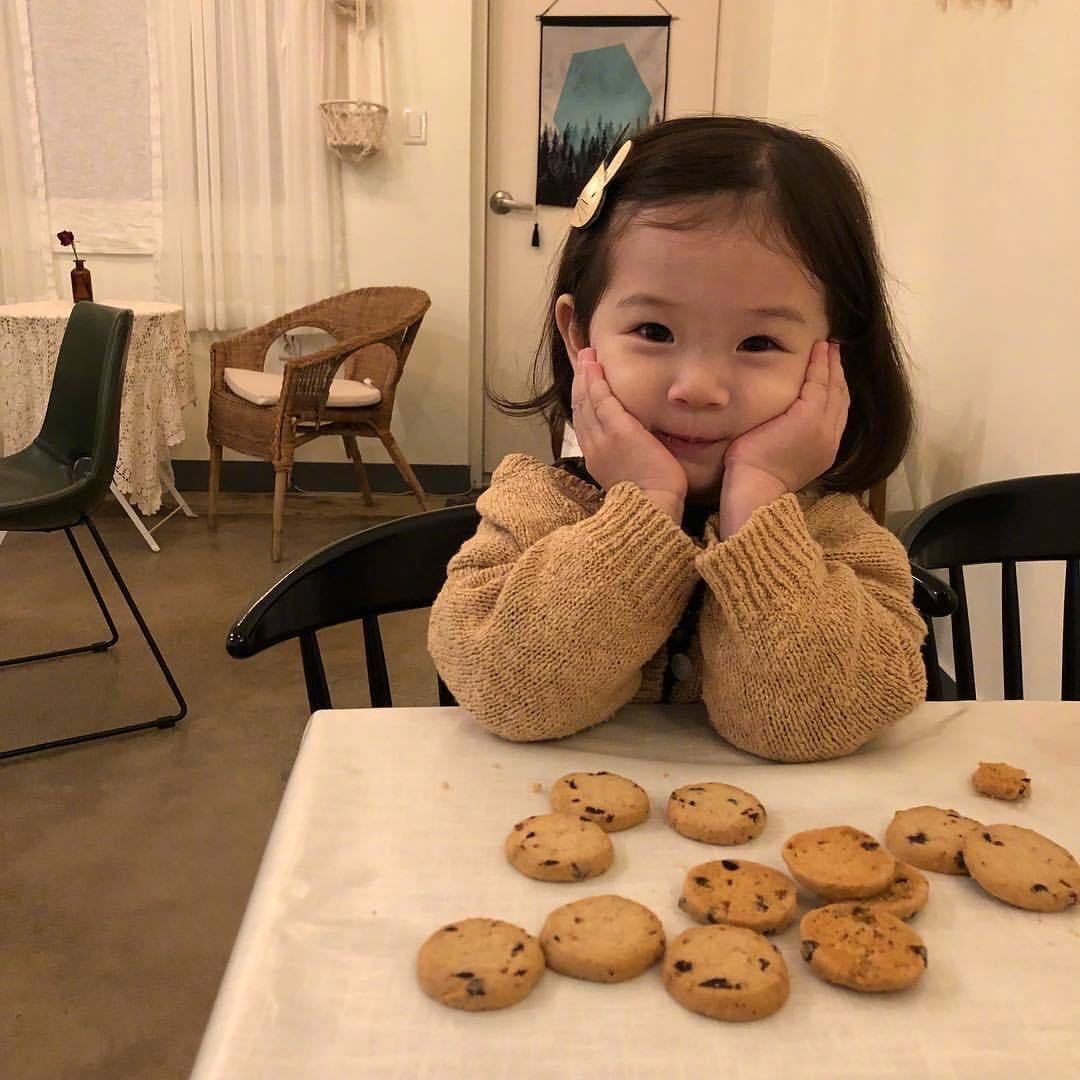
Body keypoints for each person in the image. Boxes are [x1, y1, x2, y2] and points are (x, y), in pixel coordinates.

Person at [428, 115, 926, 763]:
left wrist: (757, 507)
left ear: (833, 362)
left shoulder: (837, 534)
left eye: (759, 342)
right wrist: (645, 506)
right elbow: (508, 695)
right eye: (654, 332)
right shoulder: (533, 507)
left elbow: (813, 725)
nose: (698, 388)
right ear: (579, 335)